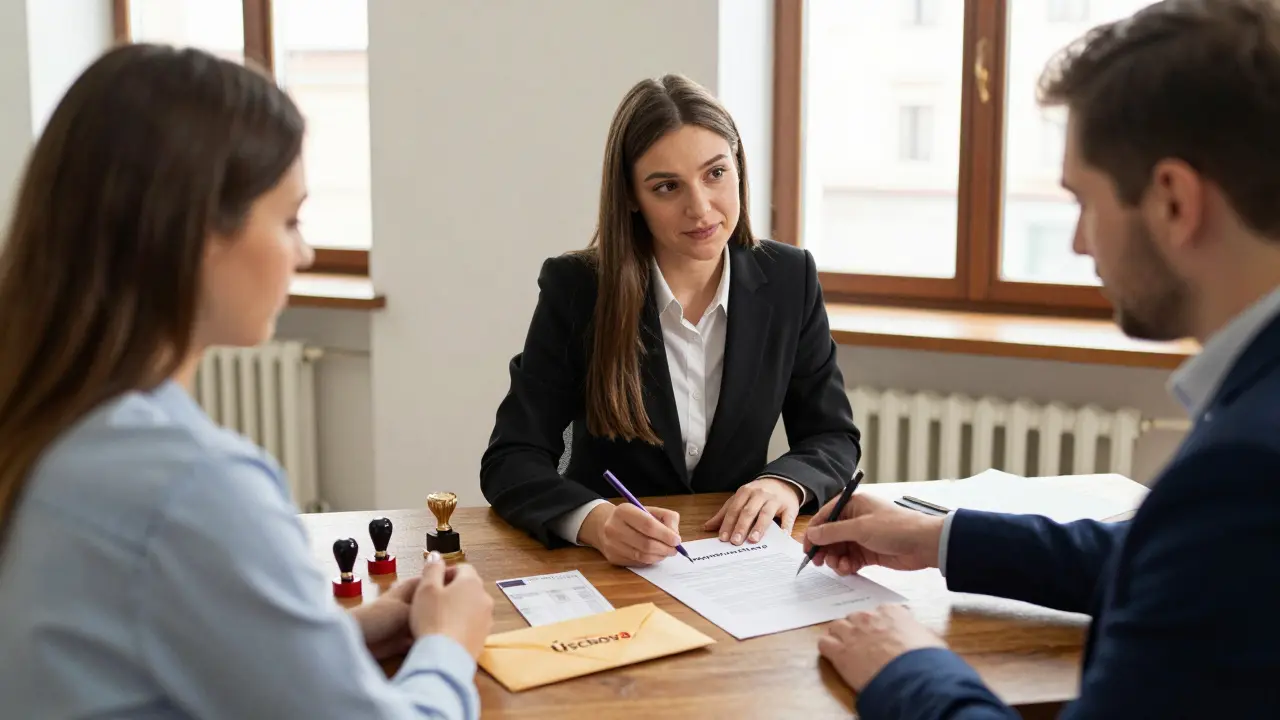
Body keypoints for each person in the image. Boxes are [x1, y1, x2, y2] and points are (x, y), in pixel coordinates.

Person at [804, 1, 1280, 717]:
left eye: (1082, 202)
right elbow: (1160, 561)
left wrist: (911, 668)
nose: (1079, 245)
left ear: (1174, 201)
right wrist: (937, 537)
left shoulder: (1241, 472)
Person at [0, 44, 493, 719]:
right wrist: (449, 646)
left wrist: (335, 636)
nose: (305, 252)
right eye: (290, 219)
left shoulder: (47, 425)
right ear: (199, 230)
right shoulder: (192, 484)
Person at [481, 74, 860, 565]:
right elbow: (511, 458)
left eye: (716, 174)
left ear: (738, 168)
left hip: (735, 561)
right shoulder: (578, 288)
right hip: (610, 567)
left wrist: (784, 483)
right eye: (667, 186)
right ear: (632, 197)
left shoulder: (790, 279)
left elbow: (832, 435)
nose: (700, 208)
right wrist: (594, 521)